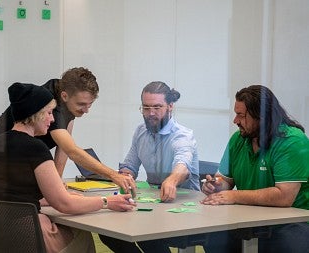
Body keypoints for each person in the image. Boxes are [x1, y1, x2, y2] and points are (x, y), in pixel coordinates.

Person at [0, 82, 137, 253]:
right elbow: (64, 205)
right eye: (49, 113)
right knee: (83, 233)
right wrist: (107, 201)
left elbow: (8, 195)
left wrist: (51, 196)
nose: (52, 119)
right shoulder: (35, 148)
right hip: (29, 235)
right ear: (36, 114)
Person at [0, 67, 136, 193]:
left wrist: (57, 185)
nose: (86, 110)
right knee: (8, 200)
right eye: (82, 104)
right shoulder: (52, 104)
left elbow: (64, 148)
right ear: (64, 96)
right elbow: (72, 150)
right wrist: (113, 175)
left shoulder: (67, 94)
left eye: (89, 104)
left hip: (22, 151)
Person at [200, 84, 309, 253]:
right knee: (214, 238)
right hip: (248, 217)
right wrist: (215, 186)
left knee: (286, 245)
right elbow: (225, 181)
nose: (235, 121)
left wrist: (233, 195)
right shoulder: (239, 139)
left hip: (290, 222)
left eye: (241, 115)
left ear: (262, 117)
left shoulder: (292, 140)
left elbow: (284, 196)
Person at [99, 81, 200, 253]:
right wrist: (124, 175)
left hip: (182, 207)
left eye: (157, 107)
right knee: (108, 232)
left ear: (170, 107)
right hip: (154, 205)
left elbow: (183, 166)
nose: (150, 113)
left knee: (146, 234)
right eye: (146, 108)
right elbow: (130, 165)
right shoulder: (141, 132)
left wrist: (172, 181)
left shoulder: (182, 135)